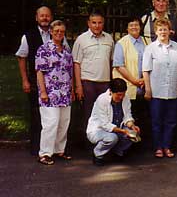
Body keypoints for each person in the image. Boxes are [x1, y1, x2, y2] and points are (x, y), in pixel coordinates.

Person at [16, 6, 69, 155]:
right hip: (36, 82)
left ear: (51, 17)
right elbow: (21, 58)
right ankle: (37, 148)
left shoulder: (60, 36)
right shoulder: (29, 36)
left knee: (55, 120)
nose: (45, 18)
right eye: (42, 16)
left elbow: (67, 57)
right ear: (36, 18)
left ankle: (54, 149)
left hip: (59, 86)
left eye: (47, 16)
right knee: (37, 116)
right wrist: (25, 80)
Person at [142, 18, 177, 158]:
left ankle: (167, 146)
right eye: (160, 29)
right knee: (156, 121)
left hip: (173, 91)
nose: (163, 32)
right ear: (155, 32)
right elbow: (145, 70)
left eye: (165, 29)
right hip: (156, 91)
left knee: (171, 121)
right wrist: (148, 89)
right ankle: (158, 147)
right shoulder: (150, 48)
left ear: (170, 31)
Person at [35, 20, 74, 165]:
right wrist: (43, 92)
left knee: (64, 123)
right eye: (56, 31)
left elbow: (70, 72)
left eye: (62, 31)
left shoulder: (66, 51)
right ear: (51, 32)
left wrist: (71, 89)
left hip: (65, 94)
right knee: (51, 123)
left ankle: (59, 150)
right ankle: (44, 154)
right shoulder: (43, 49)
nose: (59, 33)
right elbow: (39, 72)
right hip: (50, 93)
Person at [72, 12, 114, 144]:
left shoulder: (109, 39)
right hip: (87, 82)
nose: (97, 25)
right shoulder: (81, 39)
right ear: (89, 23)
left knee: (105, 113)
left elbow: (112, 62)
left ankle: (104, 141)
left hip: (105, 82)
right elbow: (76, 63)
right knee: (89, 114)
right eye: (94, 22)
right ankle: (88, 143)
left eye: (100, 22)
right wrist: (78, 86)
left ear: (103, 23)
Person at [87, 78, 140, 166]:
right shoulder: (102, 99)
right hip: (99, 130)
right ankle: (98, 154)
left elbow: (127, 116)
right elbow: (105, 125)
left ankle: (117, 152)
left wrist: (132, 126)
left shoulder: (125, 98)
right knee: (112, 138)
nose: (121, 97)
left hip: (117, 127)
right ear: (111, 91)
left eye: (123, 95)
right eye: (118, 95)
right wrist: (123, 131)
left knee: (133, 133)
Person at [112, 18, 149, 139]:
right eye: (131, 25)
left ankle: (140, 145)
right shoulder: (121, 43)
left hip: (144, 87)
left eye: (136, 25)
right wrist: (134, 81)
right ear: (127, 28)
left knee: (143, 117)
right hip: (128, 87)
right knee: (128, 117)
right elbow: (118, 65)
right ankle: (128, 145)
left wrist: (144, 80)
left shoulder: (147, 41)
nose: (134, 27)